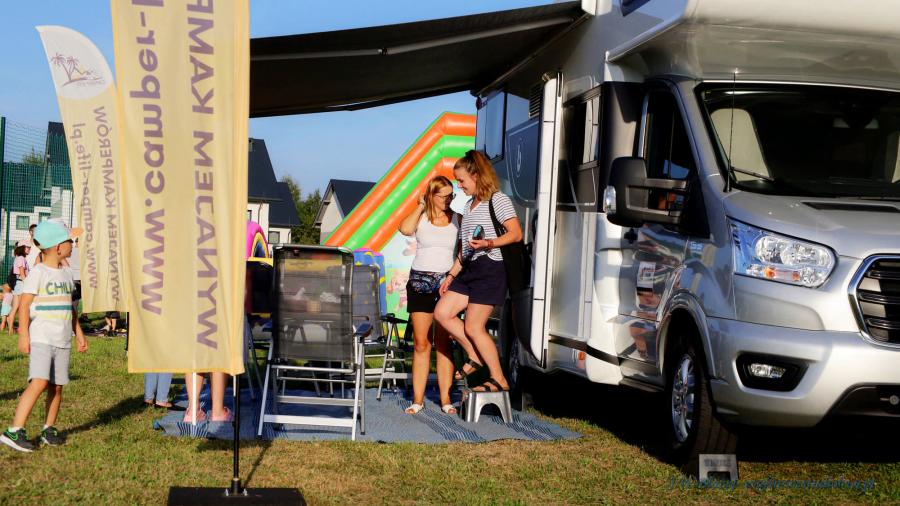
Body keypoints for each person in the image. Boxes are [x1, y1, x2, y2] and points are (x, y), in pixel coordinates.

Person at [434, 150, 522, 394]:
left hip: (491, 269)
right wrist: (451, 275)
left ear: (476, 176)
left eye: (461, 180)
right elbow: (465, 249)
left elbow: (516, 233)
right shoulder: (468, 206)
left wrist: (488, 243)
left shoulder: (498, 200)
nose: (459, 186)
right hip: (469, 270)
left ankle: (498, 379)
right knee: (442, 312)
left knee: (474, 326)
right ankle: (474, 353)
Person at [0, 220, 87, 452]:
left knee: (57, 386)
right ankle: (14, 430)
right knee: (39, 382)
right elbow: (25, 305)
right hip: (42, 338)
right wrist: (23, 335)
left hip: (62, 340)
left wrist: (79, 334)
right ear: (58, 247)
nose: (72, 244)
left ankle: (49, 428)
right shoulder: (38, 272)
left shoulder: (67, 274)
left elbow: (70, 308)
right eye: (69, 241)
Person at [397, 176, 464, 415]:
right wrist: (420, 205)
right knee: (421, 342)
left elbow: (464, 252)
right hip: (419, 282)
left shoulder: (458, 219)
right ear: (431, 195)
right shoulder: (422, 216)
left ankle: (446, 399)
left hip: (447, 283)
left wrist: (453, 276)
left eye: (450, 195)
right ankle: (418, 400)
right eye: (443, 196)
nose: (448, 200)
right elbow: (405, 229)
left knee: (444, 343)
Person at [7, 241, 31, 332]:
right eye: (27, 247)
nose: (29, 249)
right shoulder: (21, 258)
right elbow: (22, 274)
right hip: (21, 284)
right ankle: (22, 329)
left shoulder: (18, 258)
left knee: (15, 308)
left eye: (29, 247)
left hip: (18, 284)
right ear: (22, 248)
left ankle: (10, 330)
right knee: (22, 308)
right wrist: (28, 284)